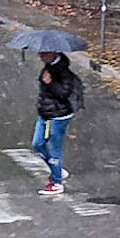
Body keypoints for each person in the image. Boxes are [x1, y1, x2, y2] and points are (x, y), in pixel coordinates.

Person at [31, 51, 81, 196]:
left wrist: (50, 83)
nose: (40, 56)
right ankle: (57, 170)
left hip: (59, 115)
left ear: (52, 53)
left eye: (43, 54)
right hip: (45, 113)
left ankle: (56, 182)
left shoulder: (64, 72)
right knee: (37, 144)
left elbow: (65, 93)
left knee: (54, 148)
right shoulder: (48, 67)